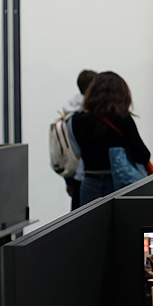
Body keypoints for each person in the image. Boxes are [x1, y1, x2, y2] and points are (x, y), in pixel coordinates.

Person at [71, 71, 151, 205]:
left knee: (91, 225)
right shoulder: (122, 119)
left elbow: (78, 150)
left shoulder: (77, 119)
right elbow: (142, 155)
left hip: (89, 183)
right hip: (118, 184)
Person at [62, 69, 97, 211]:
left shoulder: (69, 113)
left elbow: (68, 149)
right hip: (89, 177)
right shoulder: (88, 116)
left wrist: (68, 180)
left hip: (74, 177)